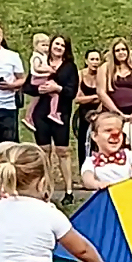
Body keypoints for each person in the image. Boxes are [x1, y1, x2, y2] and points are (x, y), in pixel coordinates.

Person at [23, 34, 79, 205]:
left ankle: (68, 190)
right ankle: (46, 188)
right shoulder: (41, 62)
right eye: (56, 44)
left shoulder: (69, 67)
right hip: (41, 113)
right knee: (44, 151)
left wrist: (58, 88)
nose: (58, 47)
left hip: (61, 113)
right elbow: (27, 86)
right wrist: (38, 90)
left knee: (63, 151)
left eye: (62, 45)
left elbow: (72, 92)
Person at [96, 38, 132, 156]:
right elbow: (101, 92)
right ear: (113, 53)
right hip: (112, 114)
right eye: (117, 50)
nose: (121, 52)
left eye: (123, 49)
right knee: (113, 143)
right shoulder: (105, 68)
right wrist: (116, 112)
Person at [81, 112, 132, 190]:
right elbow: (87, 178)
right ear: (94, 136)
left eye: (119, 131)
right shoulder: (91, 161)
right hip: (106, 196)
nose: (115, 135)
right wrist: (97, 184)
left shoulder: (128, 155)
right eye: (108, 130)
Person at [73, 49, 102, 165]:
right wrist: (95, 96)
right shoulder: (80, 74)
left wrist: (87, 98)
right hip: (84, 113)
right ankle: (83, 167)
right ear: (86, 61)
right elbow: (77, 99)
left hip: (100, 111)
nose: (95, 62)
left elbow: (104, 97)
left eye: (97, 59)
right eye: (92, 59)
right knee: (83, 141)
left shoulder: (102, 75)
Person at [23, 33, 55, 129]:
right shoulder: (36, 57)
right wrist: (49, 70)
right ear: (36, 46)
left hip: (42, 78)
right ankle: (28, 117)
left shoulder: (43, 56)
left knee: (39, 99)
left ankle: (52, 113)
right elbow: (37, 68)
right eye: (43, 45)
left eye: (47, 45)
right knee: (37, 99)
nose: (45, 48)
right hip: (38, 79)